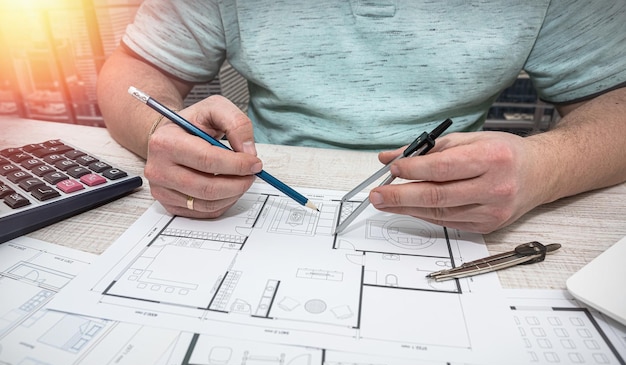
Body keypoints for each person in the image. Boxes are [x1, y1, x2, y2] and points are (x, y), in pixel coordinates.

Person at [96, 0, 626, 234]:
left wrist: (547, 166)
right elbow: (134, 71)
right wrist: (161, 131)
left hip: (466, 207)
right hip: (259, 188)